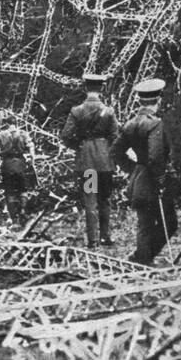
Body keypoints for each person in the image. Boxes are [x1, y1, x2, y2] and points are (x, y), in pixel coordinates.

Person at [111, 78, 178, 265]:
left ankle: (142, 258)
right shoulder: (155, 123)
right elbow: (155, 157)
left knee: (144, 224)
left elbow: (115, 152)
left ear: (140, 101)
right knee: (170, 223)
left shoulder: (130, 124)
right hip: (153, 181)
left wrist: (132, 170)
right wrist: (161, 179)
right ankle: (143, 259)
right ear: (159, 100)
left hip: (138, 180)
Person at [60, 73, 120, 247]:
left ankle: (93, 240)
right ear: (101, 89)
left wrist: (78, 147)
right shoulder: (108, 111)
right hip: (105, 162)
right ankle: (105, 236)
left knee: (90, 200)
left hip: (87, 163)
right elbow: (115, 137)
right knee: (105, 198)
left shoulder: (76, 111)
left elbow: (65, 135)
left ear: (86, 88)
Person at [0, 111, 32, 226]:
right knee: (23, 189)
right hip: (20, 163)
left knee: (9, 191)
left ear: (7, 124)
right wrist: (31, 159)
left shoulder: (1, 134)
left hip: (7, 164)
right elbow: (30, 146)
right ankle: (23, 210)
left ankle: (13, 218)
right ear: (16, 123)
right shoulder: (23, 133)